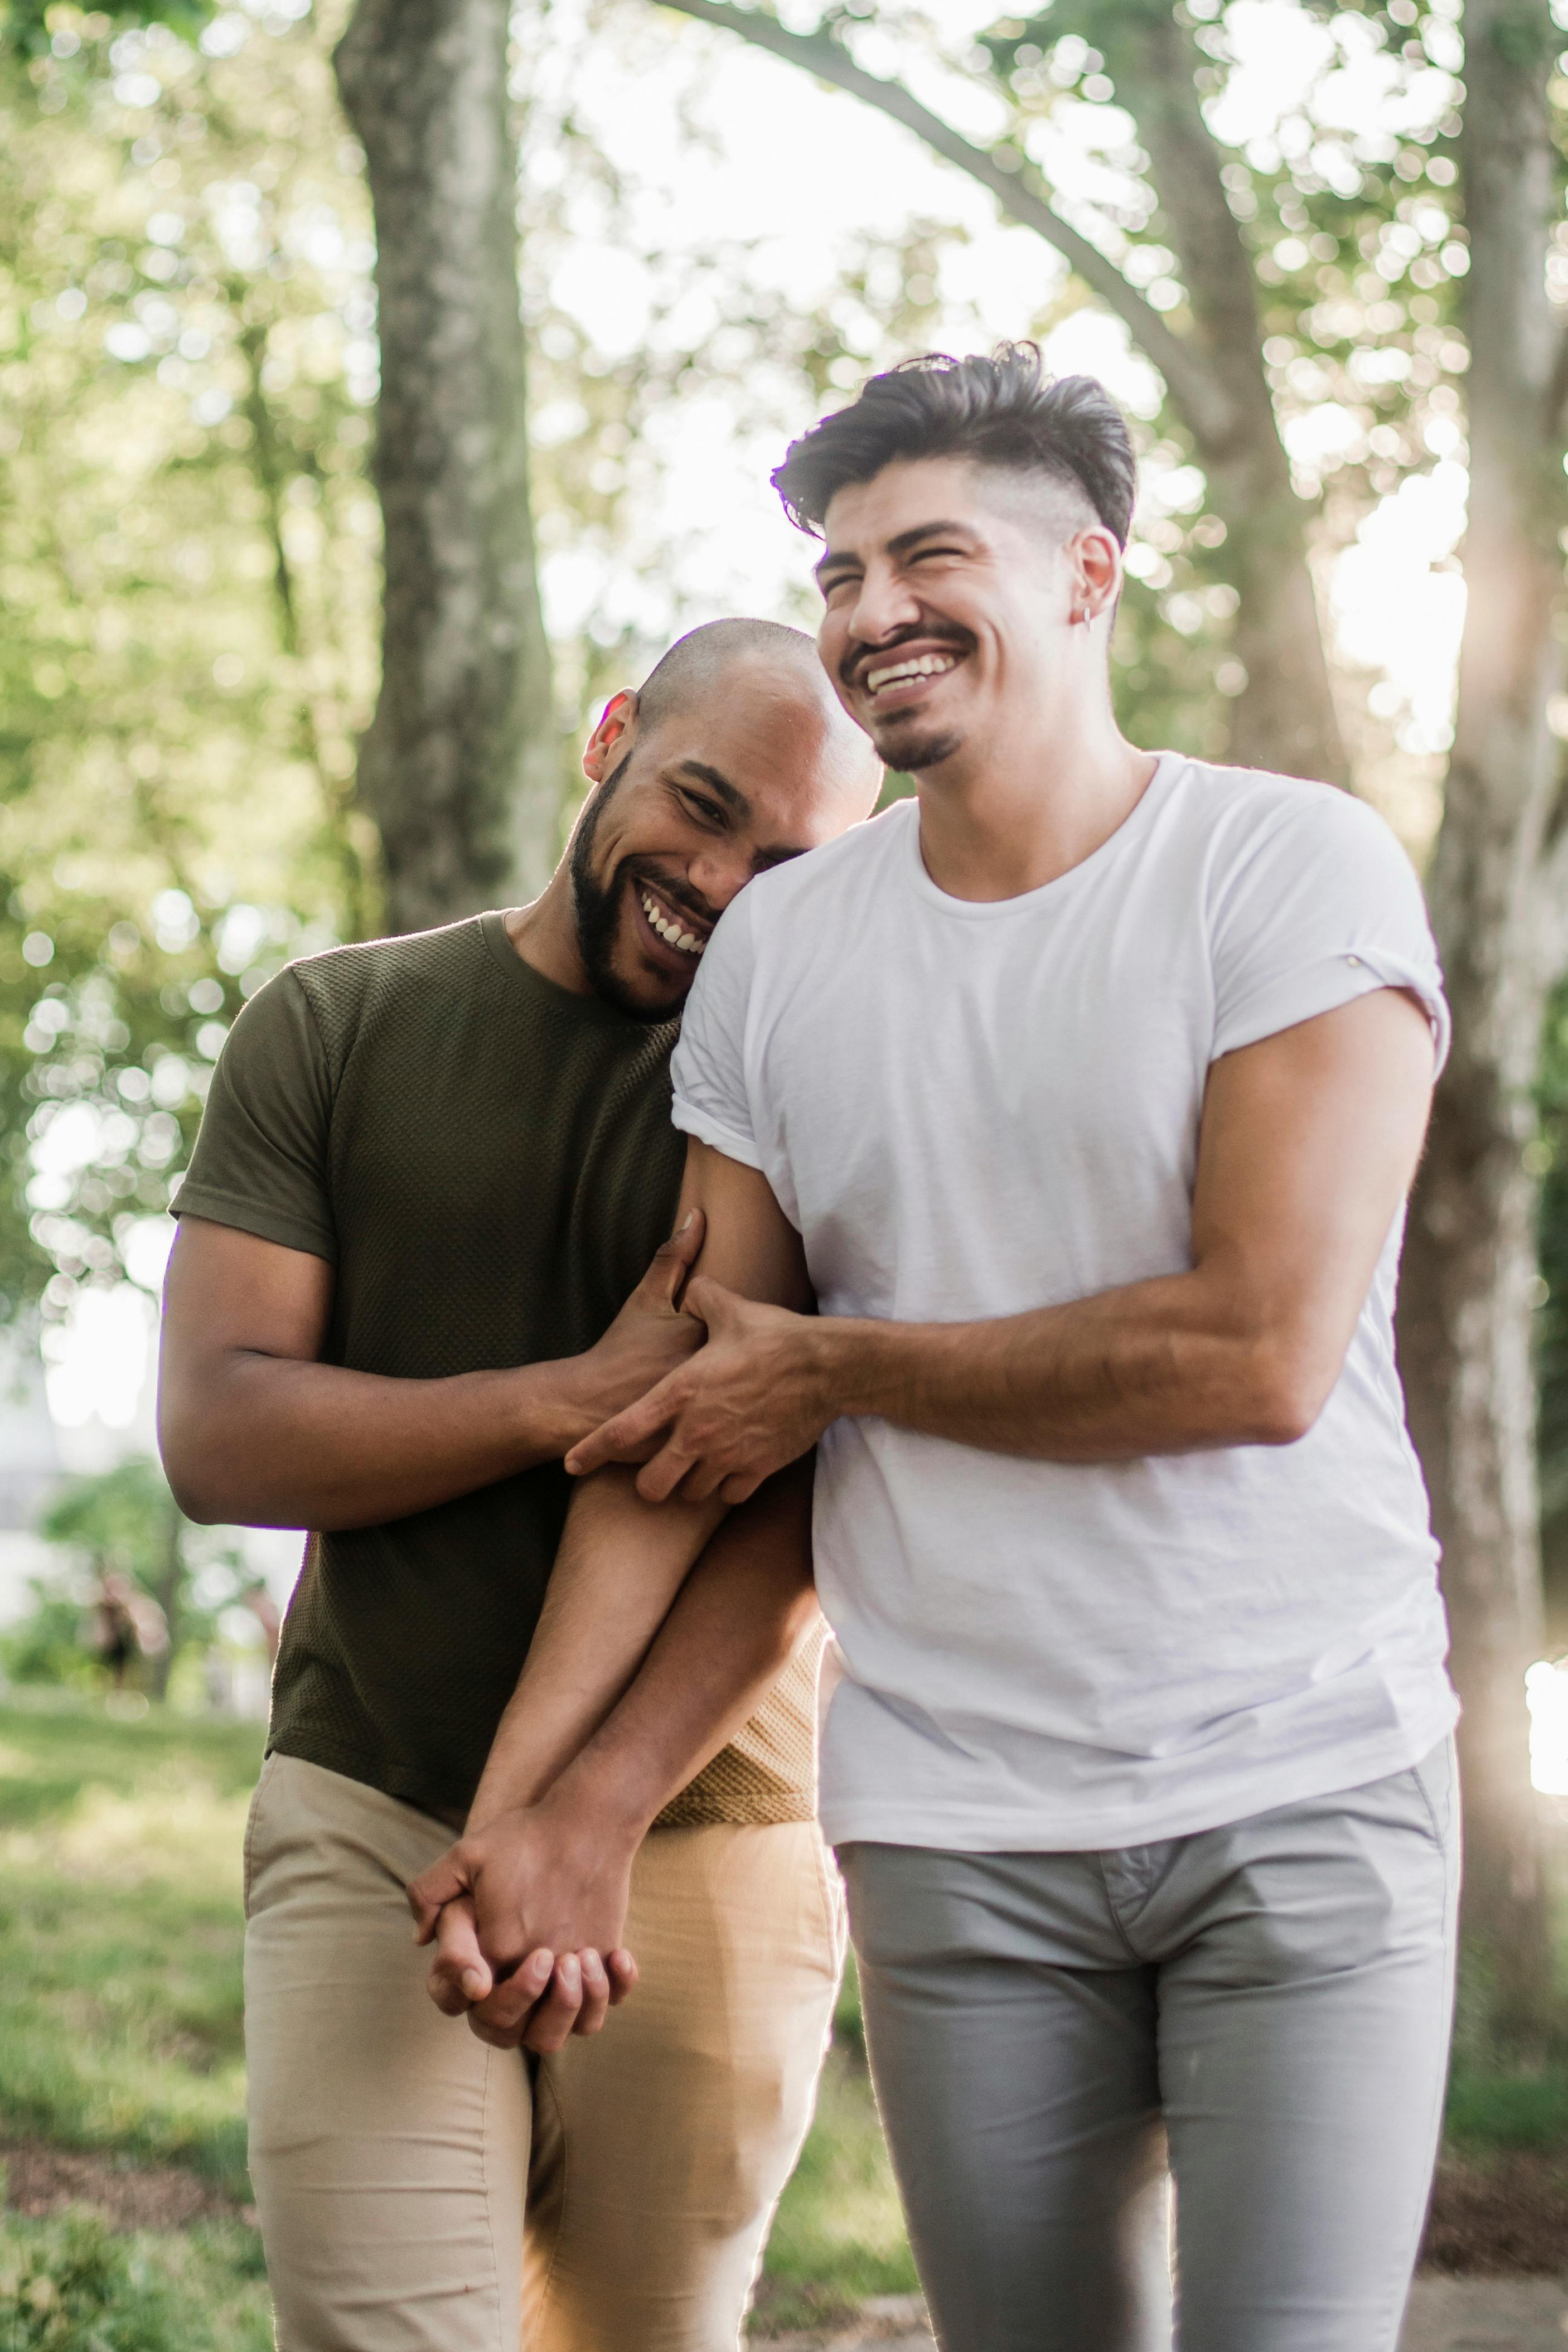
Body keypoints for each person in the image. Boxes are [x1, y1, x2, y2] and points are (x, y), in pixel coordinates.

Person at [458, 349, 1458, 2352]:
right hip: (950, 1821)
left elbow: (1254, 1351)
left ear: (1086, 576)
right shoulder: (784, 959)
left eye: (928, 555)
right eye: (837, 574)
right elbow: (698, 1422)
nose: (870, 613)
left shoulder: (1286, 870)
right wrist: (535, 1805)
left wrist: (843, 1368)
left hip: (1303, 1775)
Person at [156, 617, 881, 2352]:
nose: (713, 883)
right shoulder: (334, 1023)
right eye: (695, 805)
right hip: (372, 1808)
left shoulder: (829, 1097)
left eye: (785, 868)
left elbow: (804, 1491)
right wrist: (569, 1395)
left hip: (704, 1835)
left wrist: (589, 1815)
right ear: (609, 733)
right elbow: (221, 1434)